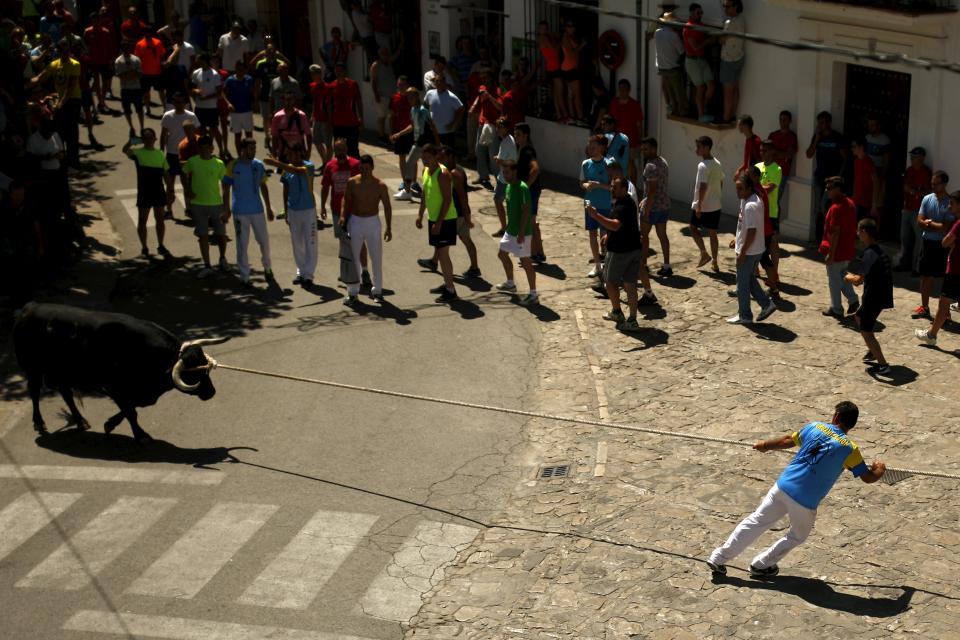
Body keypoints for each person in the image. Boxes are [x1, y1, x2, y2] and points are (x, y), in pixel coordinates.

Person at [706, 401, 886, 578]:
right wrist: (879, 469)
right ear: (852, 424)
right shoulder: (850, 450)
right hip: (805, 502)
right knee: (797, 535)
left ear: (836, 416)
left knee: (756, 521)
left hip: (783, 487)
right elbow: (868, 477)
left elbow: (786, 440)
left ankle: (719, 557)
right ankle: (761, 564)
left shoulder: (815, 427)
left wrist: (765, 445)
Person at [588, 177, 648, 331]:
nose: (612, 189)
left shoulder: (623, 205)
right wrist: (608, 235)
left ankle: (617, 312)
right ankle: (633, 319)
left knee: (609, 282)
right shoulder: (628, 202)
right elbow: (624, 224)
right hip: (634, 249)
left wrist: (595, 216)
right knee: (630, 284)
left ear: (623, 189)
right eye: (612, 186)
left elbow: (615, 225)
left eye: (615, 187)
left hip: (620, 251)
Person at [843, 219, 893, 373]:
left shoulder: (869, 253)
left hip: (873, 297)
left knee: (866, 331)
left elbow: (858, 281)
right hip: (882, 295)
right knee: (859, 317)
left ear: (864, 232)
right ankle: (873, 350)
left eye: (859, 231)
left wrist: (847, 277)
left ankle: (883, 365)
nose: (857, 234)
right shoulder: (880, 250)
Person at [341, 154, 392, 305]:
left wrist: (389, 228)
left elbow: (387, 206)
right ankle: (352, 292)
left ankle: (377, 291)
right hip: (355, 221)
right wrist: (343, 216)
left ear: (372, 168)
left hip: (372, 222)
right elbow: (346, 198)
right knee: (354, 257)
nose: (364, 171)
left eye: (367, 169)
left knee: (376, 257)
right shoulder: (352, 182)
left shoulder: (380, 185)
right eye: (362, 169)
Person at [223, 138, 274, 287]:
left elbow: (263, 186)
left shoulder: (258, 165)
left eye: (254, 148)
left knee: (264, 242)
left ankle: (267, 268)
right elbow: (225, 187)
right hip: (240, 212)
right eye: (251, 148)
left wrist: (269, 208)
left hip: (257, 210)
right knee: (242, 244)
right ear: (243, 149)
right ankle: (244, 276)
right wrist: (226, 209)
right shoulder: (233, 165)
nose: (253, 151)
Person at [266, 146, 318, 287]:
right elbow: (286, 190)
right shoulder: (286, 170)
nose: (290, 157)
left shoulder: (309, 166)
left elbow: (298, 171)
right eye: (289, 154)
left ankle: (309, 275)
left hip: (308, 211)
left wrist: (275, 163)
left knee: (310, 242)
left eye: (293, 154)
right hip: (293, 210)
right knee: (297, 243)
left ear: (299, 153)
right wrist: (286, 211)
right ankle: (300, 272)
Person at [728, 174, 777, 324]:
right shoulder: (750, 199)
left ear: (749, 188)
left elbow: (752, 231)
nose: (738, 192)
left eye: (741, 189)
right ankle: (766, 304)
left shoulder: (750, 205)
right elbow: (744, 226)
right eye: (736, 189)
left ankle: (745, 315)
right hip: (755, 249)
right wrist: (736, 240)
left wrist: (742, 252)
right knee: (748, 280)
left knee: (742, 285)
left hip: (749, 252)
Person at [916, 191, 960, 349]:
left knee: (944, 304)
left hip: (956, 270)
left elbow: (945, 242)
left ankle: (931, 335)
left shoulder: (958, 224)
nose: (949, 206)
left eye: (952, 204)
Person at [492, 159, 538, 306]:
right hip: (511, 230)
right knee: (502, 254)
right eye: (503, 172)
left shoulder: (522, 187)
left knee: (525, 262)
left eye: (507, 172)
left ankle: (533, 294)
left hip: (522, 232)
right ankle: (511, 283)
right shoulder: (508, 187)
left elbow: (526, 211)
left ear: (514, 172)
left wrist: (522, 232)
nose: (504, 175)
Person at [416, 144, 458, 302]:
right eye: (423, 157)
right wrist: (420, 215)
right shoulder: (425, 171)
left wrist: (439, 223)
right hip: (433, 219)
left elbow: (447, 200)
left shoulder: (443, 174)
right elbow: (425, 194)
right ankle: (448, 284)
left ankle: (451, 290)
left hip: (445, 220)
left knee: (443, 254)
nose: (425, 160)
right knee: (441, 254)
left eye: (427, 157)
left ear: (436, 156)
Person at [182, 135, 228, 278]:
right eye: (202, 147)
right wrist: (187, 190)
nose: (205, 150)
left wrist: (226, 207)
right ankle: (207, 265)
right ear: (199, 148)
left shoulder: (219, 163)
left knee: (221, 234)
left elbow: (225, 185)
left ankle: (222, 258)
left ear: (212, 148)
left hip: (216, 204)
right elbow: (183, 173)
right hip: (198, 205)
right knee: (203, 236)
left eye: (208, 147)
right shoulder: (192, 162)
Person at [31, 39, 82, 169]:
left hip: (72, 100)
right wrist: (26, 82)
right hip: (60, 101)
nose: (65, 54)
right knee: (59, 132)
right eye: (62, 51)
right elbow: (40, 77)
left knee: (71, 133)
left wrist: (60, 103)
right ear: (58, 52)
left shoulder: (75, 64)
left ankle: (74, 162)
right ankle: (63, 160)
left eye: (67, 51)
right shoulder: (54, 64)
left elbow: (71, 86)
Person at [122, 128, 171, 257]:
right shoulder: (138, 153)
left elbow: (165, 173)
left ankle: (161, 244)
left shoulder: (160, 154)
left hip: (158, 191)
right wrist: (132, 141)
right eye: (146, 138)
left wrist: (170, 189)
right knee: (142, 220)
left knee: (160, 219)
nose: (149, 140)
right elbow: (125, 150)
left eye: (151, 137)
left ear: (155, 139)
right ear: (143, 140)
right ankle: (144, 247)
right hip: (144, 191)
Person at [320, 139, 361, 288]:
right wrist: (323, 207)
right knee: (343, 241)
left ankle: (359, 273)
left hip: (354, 211)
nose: (340, 153)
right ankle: (346, 272)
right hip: (337, 210)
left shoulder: (356, 165)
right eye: (337, 150)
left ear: (347, 149)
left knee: (354, 242)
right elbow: (325, 187)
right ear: (334, 151)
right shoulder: (330, 166)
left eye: (342, 149)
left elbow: (362, 186)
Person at [914, 171, 954, 320]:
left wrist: (929, 223)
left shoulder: (950, 202)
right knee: (925, 276)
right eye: (932, 183)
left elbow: (946, 227)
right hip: (927, 242)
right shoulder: (927, 198)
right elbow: (919, 221)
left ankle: (945, 312)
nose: (933, 186)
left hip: (942, 245)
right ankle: (924, 307)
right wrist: (931, 224)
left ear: (944, 184)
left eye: (936, 183)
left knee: (943, 278)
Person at [818, 176, 860, 319]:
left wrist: (830, 253)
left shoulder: (836, 208)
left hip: (837, 250)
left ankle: (836, 308)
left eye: (829, 188)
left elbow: (835, 233)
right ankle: (853, 300)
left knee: (834, 281)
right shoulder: (850, 204)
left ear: (838, 189)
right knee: (842, 276)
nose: (826, 191)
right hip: (847, 249)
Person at [805, 111, 847, 240]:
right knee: (818, 208)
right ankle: (818, 238)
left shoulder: (837, 137)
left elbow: (845, 158)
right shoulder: (818, 137)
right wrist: (816, 139)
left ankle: (828, 236)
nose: (821, 125)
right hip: (819, 177)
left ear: (829, 123)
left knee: (825, 206)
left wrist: (839, 176)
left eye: (823, 122)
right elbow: (808, 154)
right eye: (819, 123)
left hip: (832, 180)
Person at [391, 86, 437, 201]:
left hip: (424, 142)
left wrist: (438, 143)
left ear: (417, 97)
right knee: (424, 166)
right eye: (408, 97)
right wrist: (399, 134)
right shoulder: (412, 110)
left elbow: (432, 127)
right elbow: (412, 126)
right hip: (418, 141)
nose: (409, 99)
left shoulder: (423, 110)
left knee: (412, 163)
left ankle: (407, 191)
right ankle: (415, 191)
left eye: (412, 97)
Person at [159, 93, 198, 219]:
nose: (179, 104)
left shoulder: (191, 116)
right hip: (171, 154)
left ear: (185, 103)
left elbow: (197, 132)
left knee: (186, 183)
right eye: (176, 102)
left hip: (186, 155)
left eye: (181, 102)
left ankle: (189, 208)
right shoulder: (167, 116)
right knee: (170, 184)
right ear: (173, 103)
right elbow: (163, 134)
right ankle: (169, 210)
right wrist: (161, 151)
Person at [639, 137, 673, 277]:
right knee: (662, 235)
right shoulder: (663, 161)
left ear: (653, 148)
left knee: (643, 236)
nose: (643, 152)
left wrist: (646, 211)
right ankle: (666, 265)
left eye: (646, 149)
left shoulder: (650, 166)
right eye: (642, 149)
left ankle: (643, 265)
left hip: (653, 207)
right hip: (664, 204)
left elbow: (652, 190)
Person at [581, 134, 612, 280]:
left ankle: (606, 263)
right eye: (590, 146)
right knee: (592, 233)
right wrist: (587, 185)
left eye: (594, 146)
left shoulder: (609, 163)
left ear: (602, 147)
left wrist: (599, 185)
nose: (591, 149)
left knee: (604, 234)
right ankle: (598, 264)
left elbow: (613, 186)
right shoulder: (585, 164)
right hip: (590, 204)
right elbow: (582, 182)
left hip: (605, 204)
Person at [690, 135, 723, 272]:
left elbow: (703, 186)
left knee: (692, 228)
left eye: (699, 147)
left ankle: (704, 253)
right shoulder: (717, 163)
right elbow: (721, 182)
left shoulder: (702, 166)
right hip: (716, 205)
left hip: (704, 206)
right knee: (713, 234)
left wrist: (699, 206)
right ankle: (715, 261)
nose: (696, 149)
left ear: (706, 148)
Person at [896, 147, 931, 272]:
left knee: (919, 240)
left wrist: (915, 191)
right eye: (911, 156)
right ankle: (904, 263)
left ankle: (916, 267)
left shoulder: (926, 172)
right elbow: (905, 184)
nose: (912, 159)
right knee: (905, 237)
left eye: (914, 157)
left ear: (921, 158)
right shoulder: (909, 170)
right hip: (907, 208)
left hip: (919, 210)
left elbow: (928, 192)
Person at [514, 123, 545, 264]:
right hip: (533, 190)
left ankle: (533, 253)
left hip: (531, 191)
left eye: (518, 134)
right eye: (515, 134)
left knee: (529, 222)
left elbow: (536, 169)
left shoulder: (527, 150)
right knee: (532, 222)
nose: (516, 137)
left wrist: (525, 186)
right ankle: (539, 253)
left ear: (526, 135)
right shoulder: (522, 148)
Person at [756, 140, 783, 290]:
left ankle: (775, 273)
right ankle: (757, 269)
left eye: (765, 150)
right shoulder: (757, 167)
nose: (763, 153)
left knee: (772, 243)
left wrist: (756, 186)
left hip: (771, 212)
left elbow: (769, 188)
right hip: (758, 211)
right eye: (761, 150)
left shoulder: (777, 169)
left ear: (772, 152)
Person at [608, 79, 644, 183]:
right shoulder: (614, 103)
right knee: (616, 164)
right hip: (616, 141)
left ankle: (633, 187)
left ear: (629, 90)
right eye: (620, 89)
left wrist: (640, 141)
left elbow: (639, 125)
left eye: (624, 89)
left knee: (630, 164)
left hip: (631, 141)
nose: (622, 91)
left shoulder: (635, 105)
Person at [683, 3, 715, 122]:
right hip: (692, 61)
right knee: (700, 88)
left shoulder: (700, 25)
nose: (700, 15)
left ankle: (703, 107)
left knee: (711, 86)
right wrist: (709, 41)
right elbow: (695, 47)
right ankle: (701, 115)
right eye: (698, 12)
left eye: (701, 12)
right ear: (691, 13)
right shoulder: (688, 27)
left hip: (701, 59)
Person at [470, 76, 502, 188]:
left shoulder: (497, 91)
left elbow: (500, 107)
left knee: (493, 154)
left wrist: (489, 96)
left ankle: (499, 179)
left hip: (492, 125)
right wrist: (472, 108)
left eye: (487, 79)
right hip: (482, 124)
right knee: (479, 151)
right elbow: (478, 98)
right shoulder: (482, 88)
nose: (485, 81)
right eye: (483, 79)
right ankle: (483, 175)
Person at [654, 10, 688, 117]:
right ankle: (683, 112)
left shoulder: (657, 33)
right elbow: (682, 52)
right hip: (673, 68)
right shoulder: (674, 36)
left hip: (663, 69)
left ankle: (674, 110)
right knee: (679, 92)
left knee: (670, 92)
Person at [191, 53, 225, 156]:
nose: (196, 61)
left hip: (211, 108)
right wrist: (196, 91)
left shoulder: (214, 74)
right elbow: (192, 87)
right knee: (200, 129)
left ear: (204, 61)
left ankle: (221, 150)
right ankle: (201, 150)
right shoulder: (196, 72)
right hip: (199, 107)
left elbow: (219, 93)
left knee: (214, 129)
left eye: (198, 59)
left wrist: (206, 97)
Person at [253, 43, 285, 149]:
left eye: (273, 50)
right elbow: (257, 81)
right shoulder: (260, 64)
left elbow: (289, 65)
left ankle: (277, 137)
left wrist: (281, 56)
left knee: (277, 117)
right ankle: (267, 137)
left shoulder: (280, 63)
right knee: (266, 117)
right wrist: (256, 99)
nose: (271, 52)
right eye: (269, 50)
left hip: (278, 97)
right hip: (265, 95)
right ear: (265, 51)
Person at [328, 61, 362, 157]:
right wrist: (330, 122)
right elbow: (330, 105)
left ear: (345, 71)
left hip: (351, 122)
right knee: (339, 149)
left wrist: (361, 117)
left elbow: (358, 101)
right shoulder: (331, 86)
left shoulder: (353, 84)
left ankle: (355, 170)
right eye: (336, 71)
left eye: (340, 71)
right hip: (338, 123)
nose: (338, 73)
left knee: (353, 149)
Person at [84, 7, 115, 114]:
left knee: (106, 82)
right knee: (96, 82)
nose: (95, 21)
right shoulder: (87, 32)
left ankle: (101, 100)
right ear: (91, 21)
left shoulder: (106, 32)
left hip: (105, 60)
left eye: (97, 19)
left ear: (100, 20)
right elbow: (86, 47)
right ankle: (101, 103)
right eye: (93, 20)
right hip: (93, 62)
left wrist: (111, 61)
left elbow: (110, 47)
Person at [222, 60, 256, 156]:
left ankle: (250, 154)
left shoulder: (249, 79)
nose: (240, 70)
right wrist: (228, 103)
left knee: (249, 135)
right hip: (235, 113)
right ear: (235, 69)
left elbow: (252, 92)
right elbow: (223, 92)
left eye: (242, 68)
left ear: (245, 69)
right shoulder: (230, 80)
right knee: (238, 135)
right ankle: (239, 155)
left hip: (247, 111)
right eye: (238, 68)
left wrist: (255, 102)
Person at [719, 0, 745, 124]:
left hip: (728, 59)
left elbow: (722, 39)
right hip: (739, 57)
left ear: (735, 7)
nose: (725, 9)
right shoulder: (741, 20)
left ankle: (726, 118)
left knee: (728, 92)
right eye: (724, 6)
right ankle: (733, 114)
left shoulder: (729, 22)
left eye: (728, 6)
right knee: (735, 89)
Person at [767, 110, 798, 210]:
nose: (782, 122)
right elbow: (767, 152)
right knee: (767, 199)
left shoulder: (792, 137)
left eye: (785, 119)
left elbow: (789, 155)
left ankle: (774, 223)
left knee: (775, 200)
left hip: (782, 172)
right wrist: (780, 154)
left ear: (790, 121)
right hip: (769, 171)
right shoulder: (773, 135)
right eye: (781, 119)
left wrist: (775, 152)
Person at [492, 117, 517, 238]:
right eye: (497, 127)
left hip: (505, 178)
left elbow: (510, 161)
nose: (497, 130)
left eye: (500, 127)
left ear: (506, 128)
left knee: (499, 201)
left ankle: (505, 228)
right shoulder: (506, 141)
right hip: (503, 177)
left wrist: (498, 160)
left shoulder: (508, 142)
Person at [424, 74, 463, 149]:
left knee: (447, 156)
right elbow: (425, 105)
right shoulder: (430, 94)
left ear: (445, 82)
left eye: (440, 81)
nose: (438, 83)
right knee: (434, 155)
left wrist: (453, 123)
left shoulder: (451, 97)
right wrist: (427, 119)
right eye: (436, 81)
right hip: (433, 132)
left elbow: (461, 109)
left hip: (447, 133)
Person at [537, 20, 566, 121]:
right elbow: (555, 49)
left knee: (556, 94)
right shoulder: (544, 38)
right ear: (539, 29)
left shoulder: (545, 37)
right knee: (559, 93)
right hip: (555, 68)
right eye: (542, 28)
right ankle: (564, 114)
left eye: (545, 28)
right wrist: (560, 41)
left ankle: (559, 114)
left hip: (551, 67)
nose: (544, 30)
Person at [270, 90, 310, 163]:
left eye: (291, 99)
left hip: (299, 153)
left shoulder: (301, 115)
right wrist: (274, 152)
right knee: (284, 173)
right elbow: (274, 136)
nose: (289, 102)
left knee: (299, 173)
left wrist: (308, 152)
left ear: (294, 100)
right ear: (283, 101)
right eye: (287, 99)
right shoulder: (277, 116)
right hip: (283, 152)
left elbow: (308, 135)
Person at [115, 39, 144, 138]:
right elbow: (121, 76)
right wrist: (132, 73)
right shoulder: (119, 61)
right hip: (125, 89)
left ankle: (142, 127)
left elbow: (139, 74)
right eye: (124, 47)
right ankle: (131, 127)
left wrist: (128, 74)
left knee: (139, 109)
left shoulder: (136, 59)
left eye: (127, 47)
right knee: (127, 110)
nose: (126, 49)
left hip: (136, 88)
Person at [370, 45, 399, 140]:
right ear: (379, 55)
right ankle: (381, 136)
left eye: (387, 54)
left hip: (392, 95)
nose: (385, 56)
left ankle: (391, 135)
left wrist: (401, 43)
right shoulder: (376, 65)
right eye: (383, 54)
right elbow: (373, 81)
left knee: (391, 115)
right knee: (382, 117)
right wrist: (376, 94)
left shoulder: (389, 62)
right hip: (381, 95)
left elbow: (397, 55)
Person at [134, 31, 166, 117]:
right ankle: (147, 108)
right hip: (145, 73)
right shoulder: (139, 44)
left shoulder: (158, 42)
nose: (147, 34)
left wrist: (162, 64)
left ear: (151, 33)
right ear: (143, 34)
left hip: (157, 72)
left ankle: (165, 108)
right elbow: (137, 58)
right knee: (145, 92)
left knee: (161, 91)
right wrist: (138, 70)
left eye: (148, 33)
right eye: (146, 33)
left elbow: (162, 55)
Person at [560, 21, 585, 124]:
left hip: (570, 68)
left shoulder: (570, 37)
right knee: (577, 94)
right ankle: (580, 118)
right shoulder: (566, 37)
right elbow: (571, 53)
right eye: (569, 26)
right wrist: (582, 45)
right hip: (570, 69)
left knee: (571, 95)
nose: (572, 28)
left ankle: (572, 116)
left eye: (573, 26)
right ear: (566, 27)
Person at [850, 138, 879, 222]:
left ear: (861, 147)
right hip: (855, 201)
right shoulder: (856, 162)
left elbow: (876, 182)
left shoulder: (868, 162)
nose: (852, 149)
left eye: (854, 146)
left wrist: (874, 204)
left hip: (864, 203)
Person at [308, 64, 332, 165]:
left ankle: (328, 164)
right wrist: (312, 114)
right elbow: (314, 101)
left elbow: (330, 106)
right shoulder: (312, 86)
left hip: (325, 119)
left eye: (318, 73)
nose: (316, 75)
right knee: (317, 141)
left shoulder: (327, 87)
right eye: (313, 73)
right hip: (317, 118)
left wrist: (329, 121)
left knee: (328, 144)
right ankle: (325, 162)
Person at [735, 114, 761, 179]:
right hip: (748, 176)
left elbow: (759, 161)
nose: (738, 126)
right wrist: (739, 170)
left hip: (753, 178)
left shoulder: (755, 141)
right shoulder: (748, 140)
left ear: (746, 126)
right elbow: (747, 161)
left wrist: (751, 174)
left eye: (740, 124)